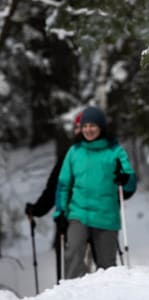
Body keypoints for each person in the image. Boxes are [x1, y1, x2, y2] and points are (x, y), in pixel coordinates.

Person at [53, 106, 137, 279]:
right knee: (73, 254)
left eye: (92, 126)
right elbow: (63, 184)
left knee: (107, 266)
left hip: (106, 215)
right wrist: (60, 212)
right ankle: (74, 294)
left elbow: (130, 184)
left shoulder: (115, 151)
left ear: (101, 127)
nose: (88, 130)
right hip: (79, 213)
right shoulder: (74, 151)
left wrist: (125, 179)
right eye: (85, 126)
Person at [25, 111, 83, 283]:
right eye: (78, 127)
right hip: (68, 219)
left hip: (97, 221)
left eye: (86, 126)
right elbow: (53, 189)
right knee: (70, 274)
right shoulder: (67, 156)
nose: (81, 131)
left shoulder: (105, 155)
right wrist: (37, 209)